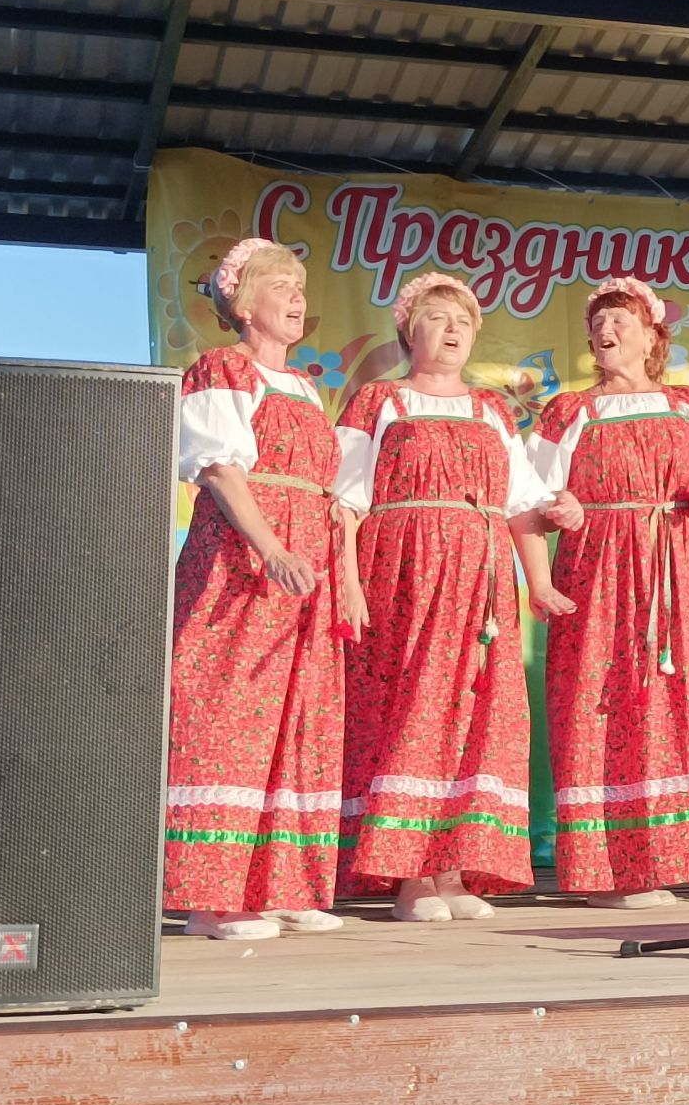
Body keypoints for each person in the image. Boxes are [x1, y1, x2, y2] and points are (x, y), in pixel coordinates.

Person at [334, 273, 582, 923]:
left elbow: (523, 506)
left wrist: (541, 584)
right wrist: (349, 581)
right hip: (404, 571)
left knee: (478, 710)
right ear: (407, 329)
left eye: (463, 322)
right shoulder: (378, 401)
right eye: (437, 318)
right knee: (415, 707)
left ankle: (451, 869)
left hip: (482, 578)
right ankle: (409, 875)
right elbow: (345, 503)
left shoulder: (492, 410)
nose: (451, 331)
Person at [164, 238, 366, 940]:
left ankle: (285, 882)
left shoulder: (308, 387)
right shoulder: (223, 369)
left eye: (299, 286)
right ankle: (214, 899)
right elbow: (219, 471)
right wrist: (271, 546)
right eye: (280, 286)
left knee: (300, 719)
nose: (296, 298)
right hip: (242, 562)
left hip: (306, 564)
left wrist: (342, 573)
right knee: (231, 714)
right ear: (242, 304)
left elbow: (332, 493)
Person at [527, 278, 689, 910]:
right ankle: (601, 871)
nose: (606, 332)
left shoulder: (687, 404)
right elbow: (528, 494)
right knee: (596, 699)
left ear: (652, 334)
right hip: (595, 565)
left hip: (668, 565)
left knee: (661, 703)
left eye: (620, 321)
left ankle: (654, 862)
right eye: (598, 324)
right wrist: (557, 505)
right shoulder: (570, 410)